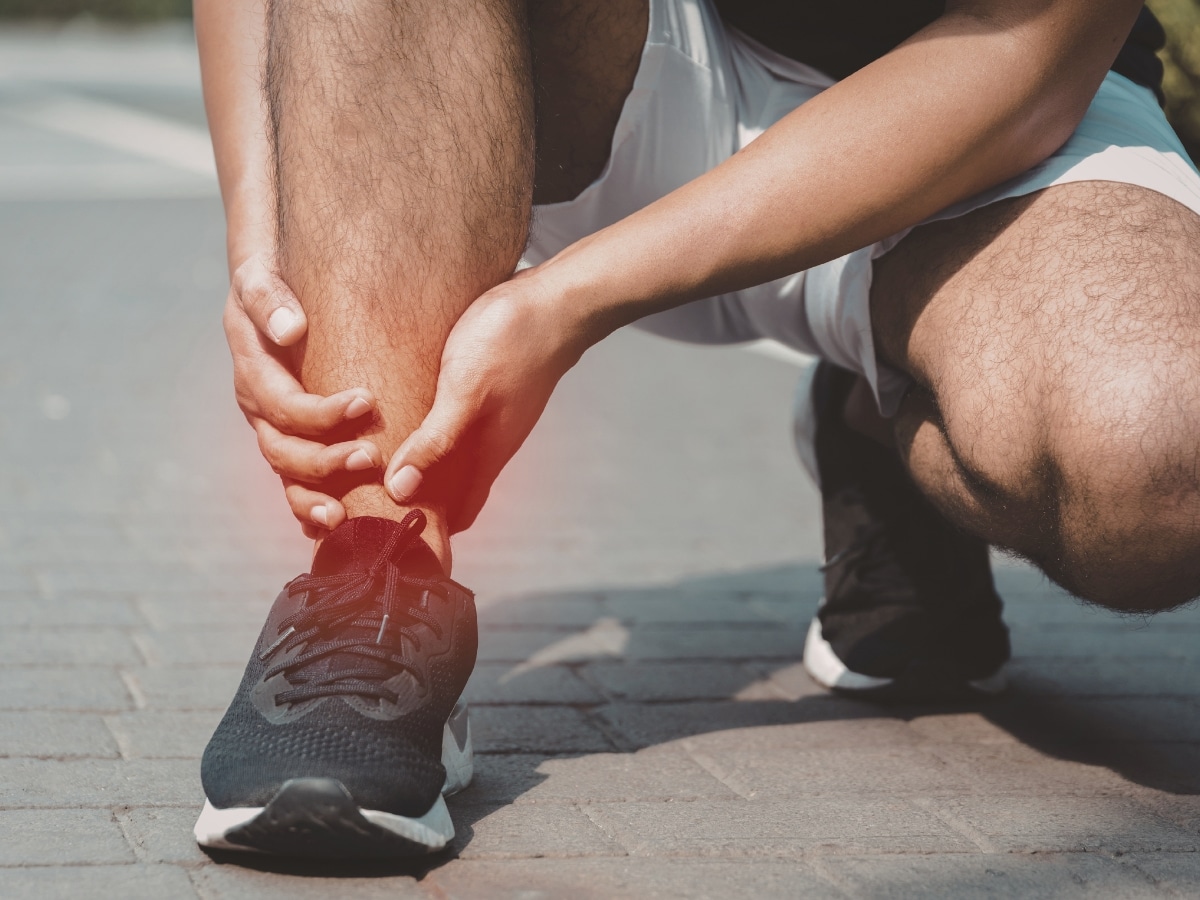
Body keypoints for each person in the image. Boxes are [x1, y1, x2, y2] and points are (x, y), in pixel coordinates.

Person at [190, 0, 1200, 859]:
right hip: (610, 66)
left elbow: (1033, 58)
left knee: (1162, 465)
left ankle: (883, 417)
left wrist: (570, 303)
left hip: (985, 118)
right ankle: (375, 573)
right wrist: (263, 244)